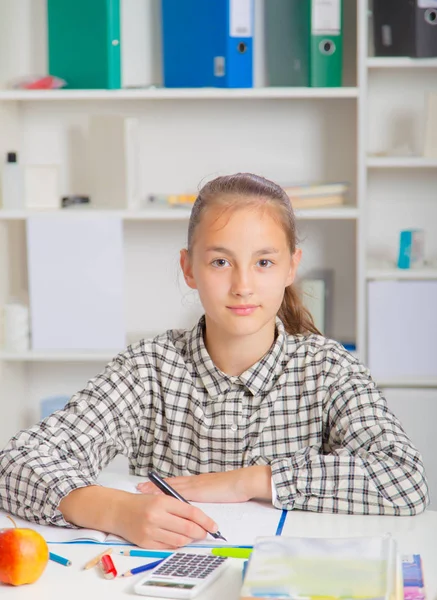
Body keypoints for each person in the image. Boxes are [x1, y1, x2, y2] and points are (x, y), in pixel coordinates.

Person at [0, 173, 429, 549]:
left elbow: (405, 481)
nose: (242, 285)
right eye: (220, 262)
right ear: (189, 269)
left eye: (264, 262)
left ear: (291, 267)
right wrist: (116, 510)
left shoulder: (329, 369)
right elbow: (16, 463)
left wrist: (253, 480)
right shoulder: (148, 369)